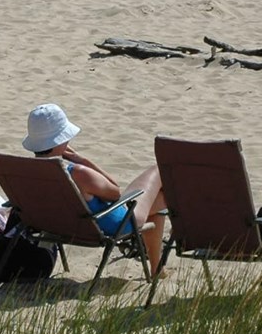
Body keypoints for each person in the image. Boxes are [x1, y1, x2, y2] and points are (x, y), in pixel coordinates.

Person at [22, 104, 166, 276]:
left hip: (62, 227)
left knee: (160, 200)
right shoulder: (77, 173)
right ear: (60, 140)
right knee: (158, 171)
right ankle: (158, 265)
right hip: (118, 224)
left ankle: (158, 267)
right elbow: (115, 191)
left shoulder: (27, 173)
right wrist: (81, 159)